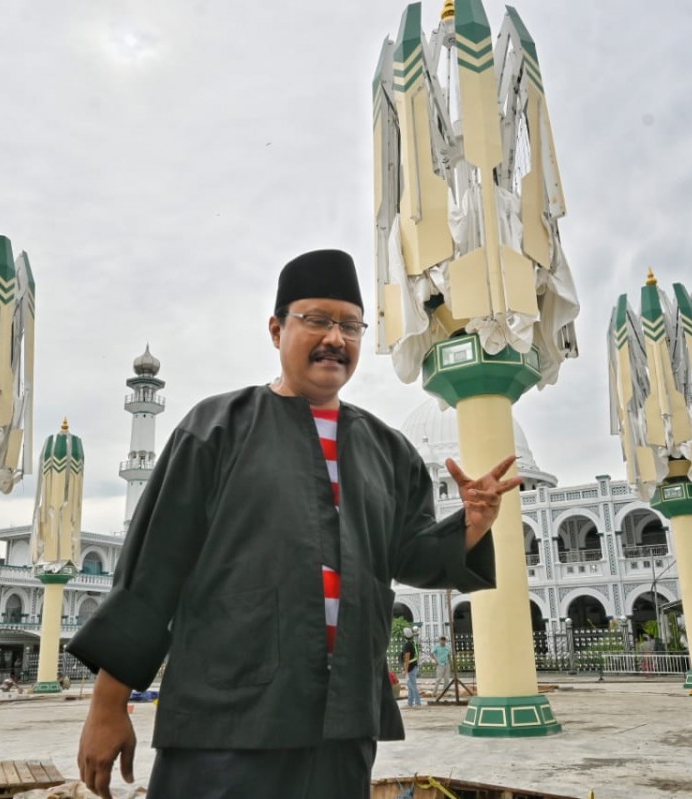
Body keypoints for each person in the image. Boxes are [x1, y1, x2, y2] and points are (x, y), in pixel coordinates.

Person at [68, 249, 521, 799]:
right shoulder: (215, 430)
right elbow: (151, 575)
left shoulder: (389, 452)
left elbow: (413, 557)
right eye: (317, 320)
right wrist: (107, 706)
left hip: (341, 724)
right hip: (226, 721)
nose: (336, 338)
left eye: (350, 326)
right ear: (277, 329)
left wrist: (471, 523)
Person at [400, 628, 421, 708]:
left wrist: (405, 670)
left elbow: (407, 658)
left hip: (410, 668)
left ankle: (418, 703)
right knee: (410, 686)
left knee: (412, 685)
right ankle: (410, 703)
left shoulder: (407, 645)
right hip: (413, 666)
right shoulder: (412, 643)